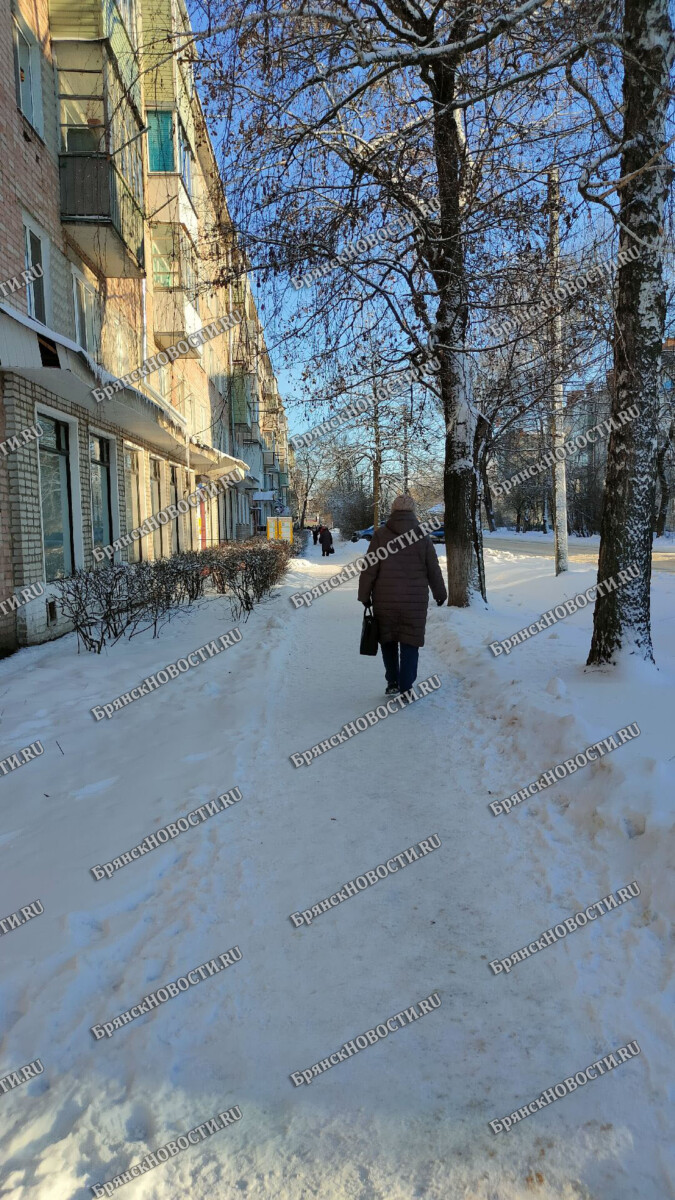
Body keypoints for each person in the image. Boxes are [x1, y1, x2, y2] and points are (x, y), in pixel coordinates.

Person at [357, 495, 446, 696]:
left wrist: (365, 596)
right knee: (410, 641)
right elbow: (433, 568)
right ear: (413, 511)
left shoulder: (380, 535)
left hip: (384, 600)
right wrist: (440, 593)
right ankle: (407, 686)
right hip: (414, 602)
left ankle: (393, 682)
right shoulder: (422, 535)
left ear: (393, 510)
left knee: (388, 641)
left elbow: (369, 568)